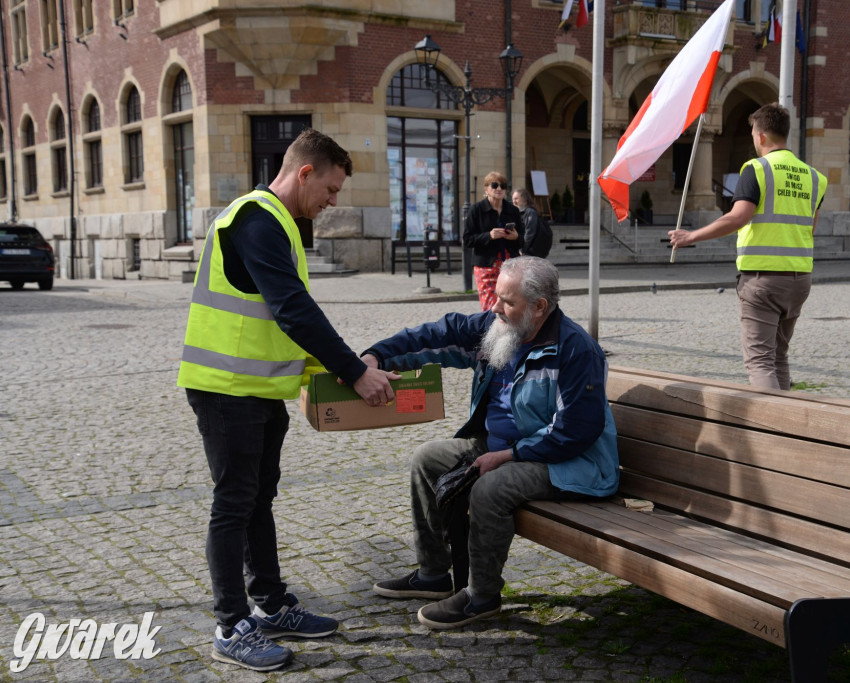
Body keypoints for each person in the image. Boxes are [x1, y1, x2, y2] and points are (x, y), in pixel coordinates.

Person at [177, 128, 401, 671]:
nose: (332, 202)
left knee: (257, 500)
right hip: (227, 391)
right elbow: (292, 309)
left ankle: (271, 602)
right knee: (234, 504)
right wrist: (353, 374)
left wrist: (347, 367)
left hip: (256, 392)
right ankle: (231, 626)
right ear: (304, 173)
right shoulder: (257, 220)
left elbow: (282, 323)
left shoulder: (277, 224)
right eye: (330, 189)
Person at [364, 256, 619, 630]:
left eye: (508, 301)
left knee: (490, 488)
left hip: (571, 462)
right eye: (496, 296)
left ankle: (481, 597)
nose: (495, 307)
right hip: (503, 448)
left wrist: (508, 455)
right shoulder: (498, 327)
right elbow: (440, 333)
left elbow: (576, 431)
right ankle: (434, 573)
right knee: (426, 459)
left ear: (540, 307)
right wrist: (376, 355)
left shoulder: (575, 350)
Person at [668, 103, 827, 391]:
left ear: (762, 135)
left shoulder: (757, 169)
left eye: (754, 133)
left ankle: (769, 430)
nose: (754, 139)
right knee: (778, 357)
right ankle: (788, 422)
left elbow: (738, 217)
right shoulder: (815, 177)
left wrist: (691, 237)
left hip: (762, 280)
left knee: (760, 362)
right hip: (800, 279)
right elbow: (809, 227)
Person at [463, 171, 524, 311]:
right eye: (494, 185)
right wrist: (488, 236)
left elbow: (524, 238)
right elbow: (467, 240)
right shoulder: (476, 210)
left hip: (510, 264)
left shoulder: (513, 210)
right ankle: (492, 331)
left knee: (510, 303)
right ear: (486, 189)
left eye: (503, 186)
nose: (499, 189)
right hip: (486, 265)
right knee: (490, 306)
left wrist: (516, 237)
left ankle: (510, 331)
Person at [512, 187, 552, 258]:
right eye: (513, 199)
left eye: (516, 199)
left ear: (524, 199)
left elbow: (529, 233)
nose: (514, 202)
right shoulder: (519, 213)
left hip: (530, 252)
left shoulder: (530, 212)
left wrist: (523, 249)